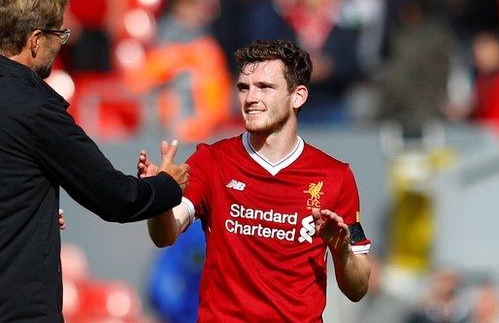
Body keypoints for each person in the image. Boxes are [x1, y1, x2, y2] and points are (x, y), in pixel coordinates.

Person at [0, 0, 188, 322]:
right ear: (36, 40)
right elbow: (115, 197)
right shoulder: (34, 109)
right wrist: (168, 185)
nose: (62, 45)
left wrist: (18, 209)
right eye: (59, 35)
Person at [139, 40, 371, 321]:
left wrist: (341, 250)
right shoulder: (212, 160)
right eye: (244, 88)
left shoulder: (336, 176)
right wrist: (159, 197)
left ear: (297, 96)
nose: (250, 98)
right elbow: (165, 236)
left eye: (265, 87)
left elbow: (358, 288)